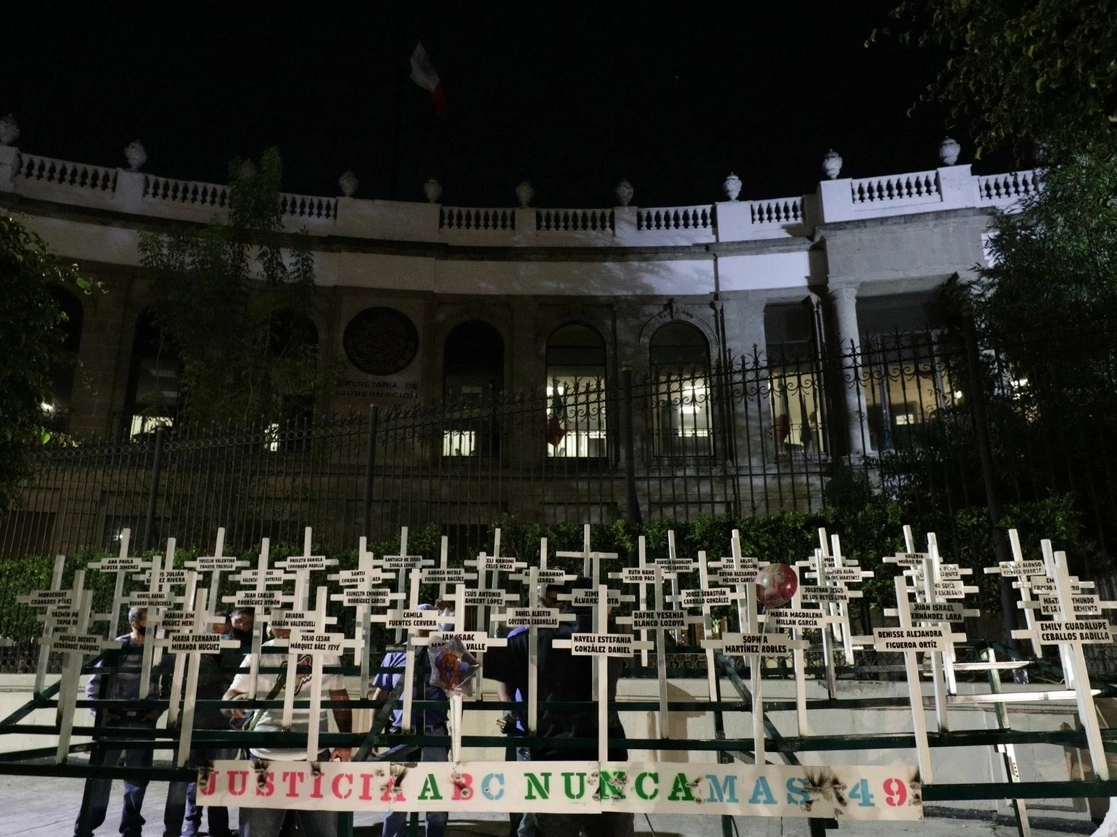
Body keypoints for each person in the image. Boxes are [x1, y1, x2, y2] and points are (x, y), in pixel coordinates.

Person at [483, 579, 634, 837]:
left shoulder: (536, 642)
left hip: (554, 757)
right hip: (608, 756)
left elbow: (466, 659)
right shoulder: (615, 643)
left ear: (564, 602)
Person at [222, 619, 352, 837]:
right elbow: (230, 695)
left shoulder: (325, 652)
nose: (283, 629)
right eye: (277, 622)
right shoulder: (259, 654)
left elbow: (339, 697)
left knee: (323, 832)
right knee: (257, 832)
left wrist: (345, 741)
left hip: (313, 755)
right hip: (265, 755)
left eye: (288, 621)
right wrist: (234, 704)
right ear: (269, 627)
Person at [74, 606, 176, 837]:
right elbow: (94, 685)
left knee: (138, 779)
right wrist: (101, 712)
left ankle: (131, 828)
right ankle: (86, 827)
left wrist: (157, 710)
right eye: (147, 623)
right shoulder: (116, 648)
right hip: (114, 721)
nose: (153, 628)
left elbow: (170, 683)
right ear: (134, 623)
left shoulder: (161, 651)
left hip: (143, 722)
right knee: (100, 777)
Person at [369, 602, 448, 837]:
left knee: (437, 800)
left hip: (434, 733)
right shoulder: (396, 653)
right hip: (400, 734)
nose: (424, 626)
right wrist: (373, 732)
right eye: (419, 621)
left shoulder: (444, 652)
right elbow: (380, 694)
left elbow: (460, 691)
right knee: (397, 800)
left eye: (428, 621)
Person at [176, 606, 255, 837]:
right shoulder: (194, 647)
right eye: (239, 622)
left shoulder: (245, 650)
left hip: (225, 724)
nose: (242, 627)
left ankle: (218, 827)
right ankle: (191, 824)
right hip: (196, 719)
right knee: (194, 776)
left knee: (218, 776)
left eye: (247, 624)